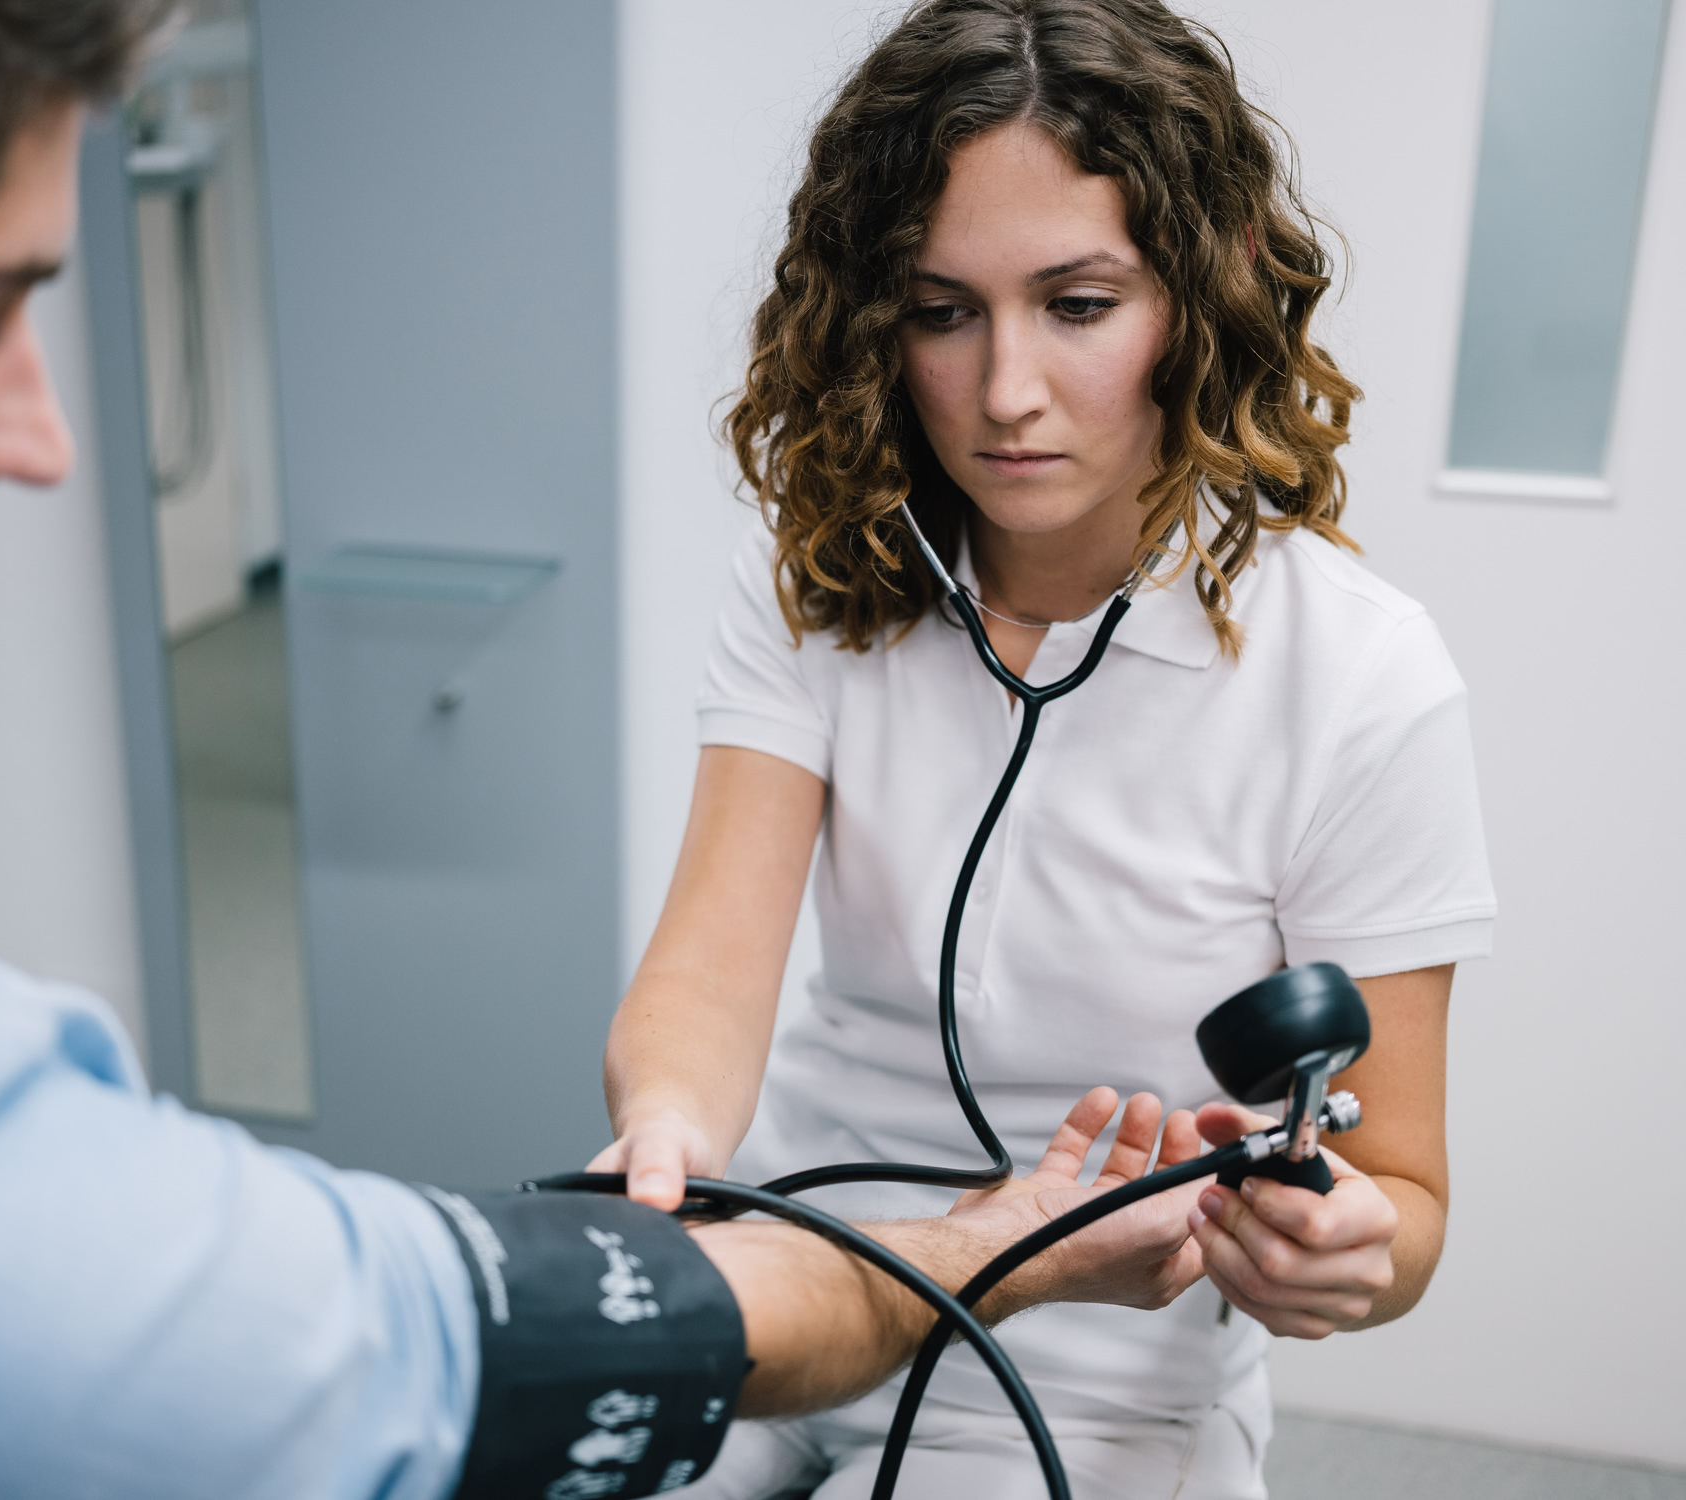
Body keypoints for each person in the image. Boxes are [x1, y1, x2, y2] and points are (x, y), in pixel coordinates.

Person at [0, 2, 1220, 1496]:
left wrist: (1041, 1241)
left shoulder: (1343, 666)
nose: (41, 439)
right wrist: (958, 1228)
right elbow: (453, 1340)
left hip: (1089, 1324)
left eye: (1076, 305)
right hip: (894, 1249)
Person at [590, 2, 1497, 1496]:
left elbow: (1402, 1198)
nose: (1005, 392)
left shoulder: (1361, 675)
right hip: (811, 1259)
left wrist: (1342, 1254)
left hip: (1097, 1363)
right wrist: (667, 1133)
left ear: (1200, 304)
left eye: (1077, 306)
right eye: (944, 311)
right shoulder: (817, 579)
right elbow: (705, 977)